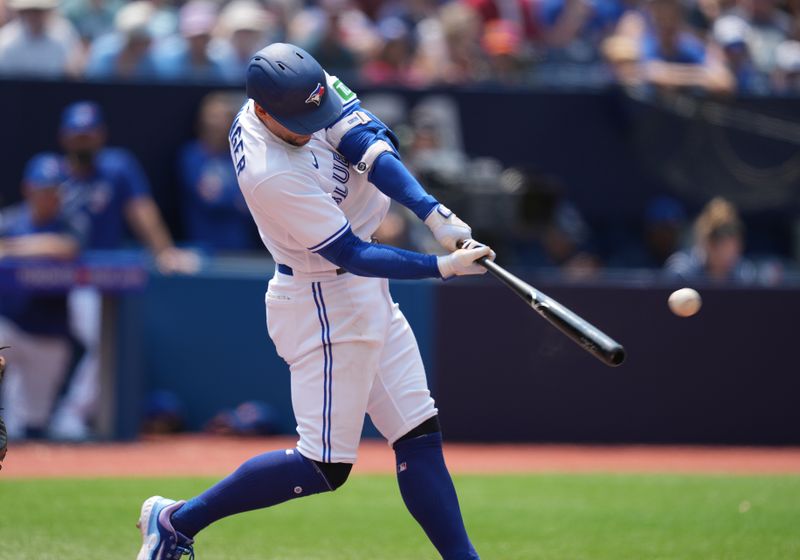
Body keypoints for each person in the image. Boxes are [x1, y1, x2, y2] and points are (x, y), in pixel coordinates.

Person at [136, 43, 492, 560]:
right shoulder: (268, 170)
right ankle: (176, 521)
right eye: (299, 120)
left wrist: (433, 214)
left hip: (363, 292)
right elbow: (351, 253)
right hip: (323, 298)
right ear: (262, 111)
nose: (311, 124)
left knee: (418, 433)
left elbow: (366, 141)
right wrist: (442, 266)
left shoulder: (300, 82)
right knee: (323, 466)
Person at [50, 100, 198, 440]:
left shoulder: (117, 166)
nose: (83, 141)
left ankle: (72, 414)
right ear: (65, 137)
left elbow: (140, 210)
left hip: (98, 276)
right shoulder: (52, 172)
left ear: (100, 135)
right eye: (77, 135)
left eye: (88, 134)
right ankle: (50, 416)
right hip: (56, 271)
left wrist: (164, 250)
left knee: (106, 340)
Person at [0, 153, 86, 440]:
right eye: (43, 190)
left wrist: (15, 248)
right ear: (29, 189)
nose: (50, 197)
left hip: (49, 334)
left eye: (55, 191)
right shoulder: (11, 219)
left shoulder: (72, 221)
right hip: (9, 326)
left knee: (31, 425)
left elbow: (67, 247)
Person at [178, 91, 257, 252]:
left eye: (221, 117)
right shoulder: (192, 155)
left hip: (242, 249)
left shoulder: (243, 156)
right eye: (210, 116)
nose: (214, 123)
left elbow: (257, 201)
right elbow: (209, 199)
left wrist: (241, 200)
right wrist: (238, 200)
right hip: (203, 249)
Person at [0, 0, 82, 77]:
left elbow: (74, 73)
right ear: (21, 13)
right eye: (29, 11)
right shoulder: (6, 40)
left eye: (38, 11)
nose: (33, 16)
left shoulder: (64, 34)